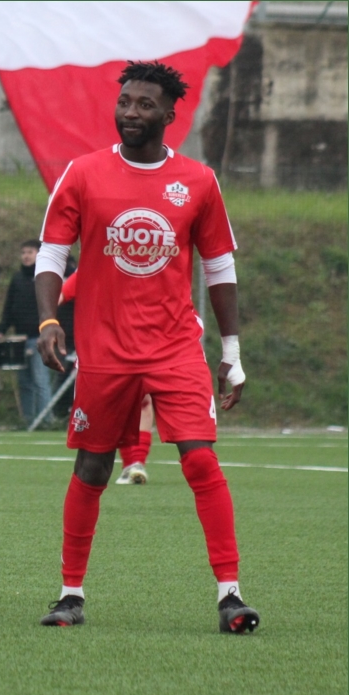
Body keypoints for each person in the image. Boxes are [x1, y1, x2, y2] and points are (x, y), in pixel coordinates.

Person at [33, 61, 259, 634]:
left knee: (200, 458)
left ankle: (231, 596)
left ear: (169, 114)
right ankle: (70, 594)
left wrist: (231, 352)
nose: (130, 112)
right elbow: (52, 253)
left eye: (144, 104)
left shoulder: (198, 181)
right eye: (125, 102)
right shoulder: (83, 173)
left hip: (174, 346)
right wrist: (48, 319)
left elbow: (219, 266)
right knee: (92, 466)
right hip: (105, 350)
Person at [59, 269, 154, 484]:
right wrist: (47, 323)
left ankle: (135, 463)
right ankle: (97, 464)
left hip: (140, 343)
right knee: (108, 409)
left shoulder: (145, 265)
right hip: (101, 350)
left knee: (143, 400)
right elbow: (60, 294)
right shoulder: (94, 268)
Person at [0, 239, 54, 427]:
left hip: (40, 339)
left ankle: (46, 421)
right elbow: (9, 308)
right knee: (24, 383)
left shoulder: (46, 278)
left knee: (40, 381)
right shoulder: (17, 279)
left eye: (30, 252)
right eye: (23, 253)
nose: (26, 256)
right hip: (20, 339)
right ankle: (28, 421)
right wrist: (1, 330)